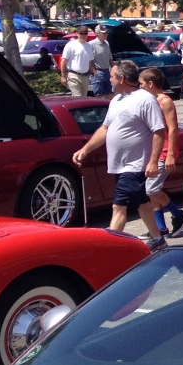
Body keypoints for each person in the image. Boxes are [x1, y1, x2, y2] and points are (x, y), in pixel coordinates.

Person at [71, 60, 167, 249]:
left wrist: (153, 161)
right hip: (119, 165)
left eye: (112, 76)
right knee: (142, 203)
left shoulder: (145, 100)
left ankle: (109, 249)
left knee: (118, 206)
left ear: (121, 78)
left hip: (135, 165)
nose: (109, 80)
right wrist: (85, 150)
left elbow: (158, 131)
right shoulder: (116, 100)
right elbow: (105, 129)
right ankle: (158, 239)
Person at [138, 67, 183, 238]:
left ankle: (177, 214)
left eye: (141, 83)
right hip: (152, 150)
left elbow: (172, 129)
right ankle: (160, 227)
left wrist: (171, 154)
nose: (140, 86)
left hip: (164, 150)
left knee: (151, 189)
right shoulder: (148, 101)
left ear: (151, 84)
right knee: (152, 188)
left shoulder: (165, 101)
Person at [60, 26, 94, 96]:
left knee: (83, 99)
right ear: (77, 34)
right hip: (74, 75)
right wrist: (63, 76)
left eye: (85, 33)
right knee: (77, 97)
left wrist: (94, 72)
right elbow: (64, 61)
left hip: (85, 76)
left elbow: (90, 62)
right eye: (81, 33)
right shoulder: (70, 45)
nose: (83, 35)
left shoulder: (89, 46)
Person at [89, 25, 113, 96]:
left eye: (107, 32)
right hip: (98, 72)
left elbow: (110, 57)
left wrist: (113, 69)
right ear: (97, 33)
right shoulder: (91, 44)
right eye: (104, 33)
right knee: (98, 95)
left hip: (107, 71)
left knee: (110, 94)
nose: (106, 34)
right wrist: (94, 71)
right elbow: (89, 59)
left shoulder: (107, 43)